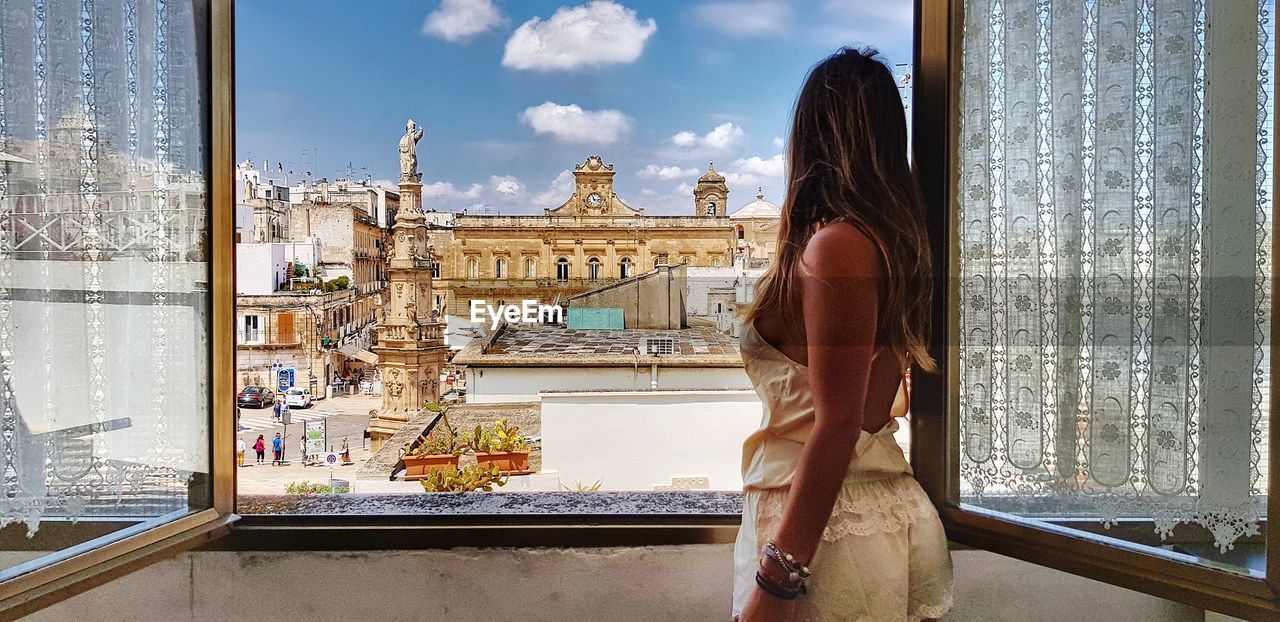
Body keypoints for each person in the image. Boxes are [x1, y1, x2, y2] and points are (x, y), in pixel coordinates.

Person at [732, 47, 952, 621]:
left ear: (813, 136)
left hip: (828, 539)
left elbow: (837, 423)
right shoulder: (884, 244)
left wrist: (777, 583)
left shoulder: (838, 247)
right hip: (843, 521)